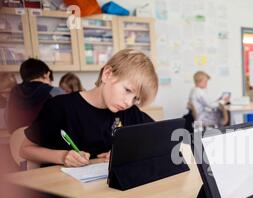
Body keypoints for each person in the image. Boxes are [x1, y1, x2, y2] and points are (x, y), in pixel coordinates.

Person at [20, 49, 158, 167]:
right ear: (107, 74)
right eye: (127, 90)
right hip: (66, 189)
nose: (128, 102)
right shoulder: (60, 107)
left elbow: (158, 137)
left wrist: (127, 152)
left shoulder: (130, 112)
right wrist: (63, 156)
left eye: (136, 98)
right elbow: (25, 150)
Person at [6, 58, 65, 133]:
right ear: (46, 75)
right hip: (45, 142)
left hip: (17, 141)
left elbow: (8, 121)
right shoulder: (55, 92)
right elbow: (68, 122)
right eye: (50, 80)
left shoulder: (13, 92)